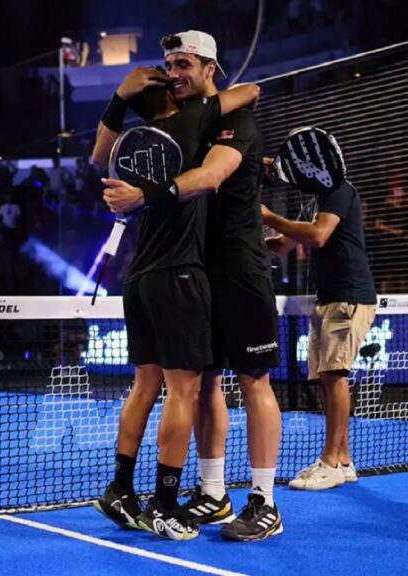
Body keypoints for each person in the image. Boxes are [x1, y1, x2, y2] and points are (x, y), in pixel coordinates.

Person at [109, 30, 285, 542]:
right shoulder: (182, 126)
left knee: (254, 381)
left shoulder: (235, 121)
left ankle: (265, 502)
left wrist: (143, 194)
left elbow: (212, 177)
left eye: (184, 63)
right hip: (198, 272)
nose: (174, 73)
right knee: (204, 383)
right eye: (169, 64)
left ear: (210, 69)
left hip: (241, 271)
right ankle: (212, 492)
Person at [261, 159, 377, 491]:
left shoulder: (338, 189)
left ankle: (330, 462)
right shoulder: (314, 201)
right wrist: (248, 244)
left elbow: (318, 235)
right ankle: (343, 460)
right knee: (329, 377)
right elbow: (284, 244)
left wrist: (269, 217)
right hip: (327, 297)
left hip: (349, 295)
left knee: (334, 375)